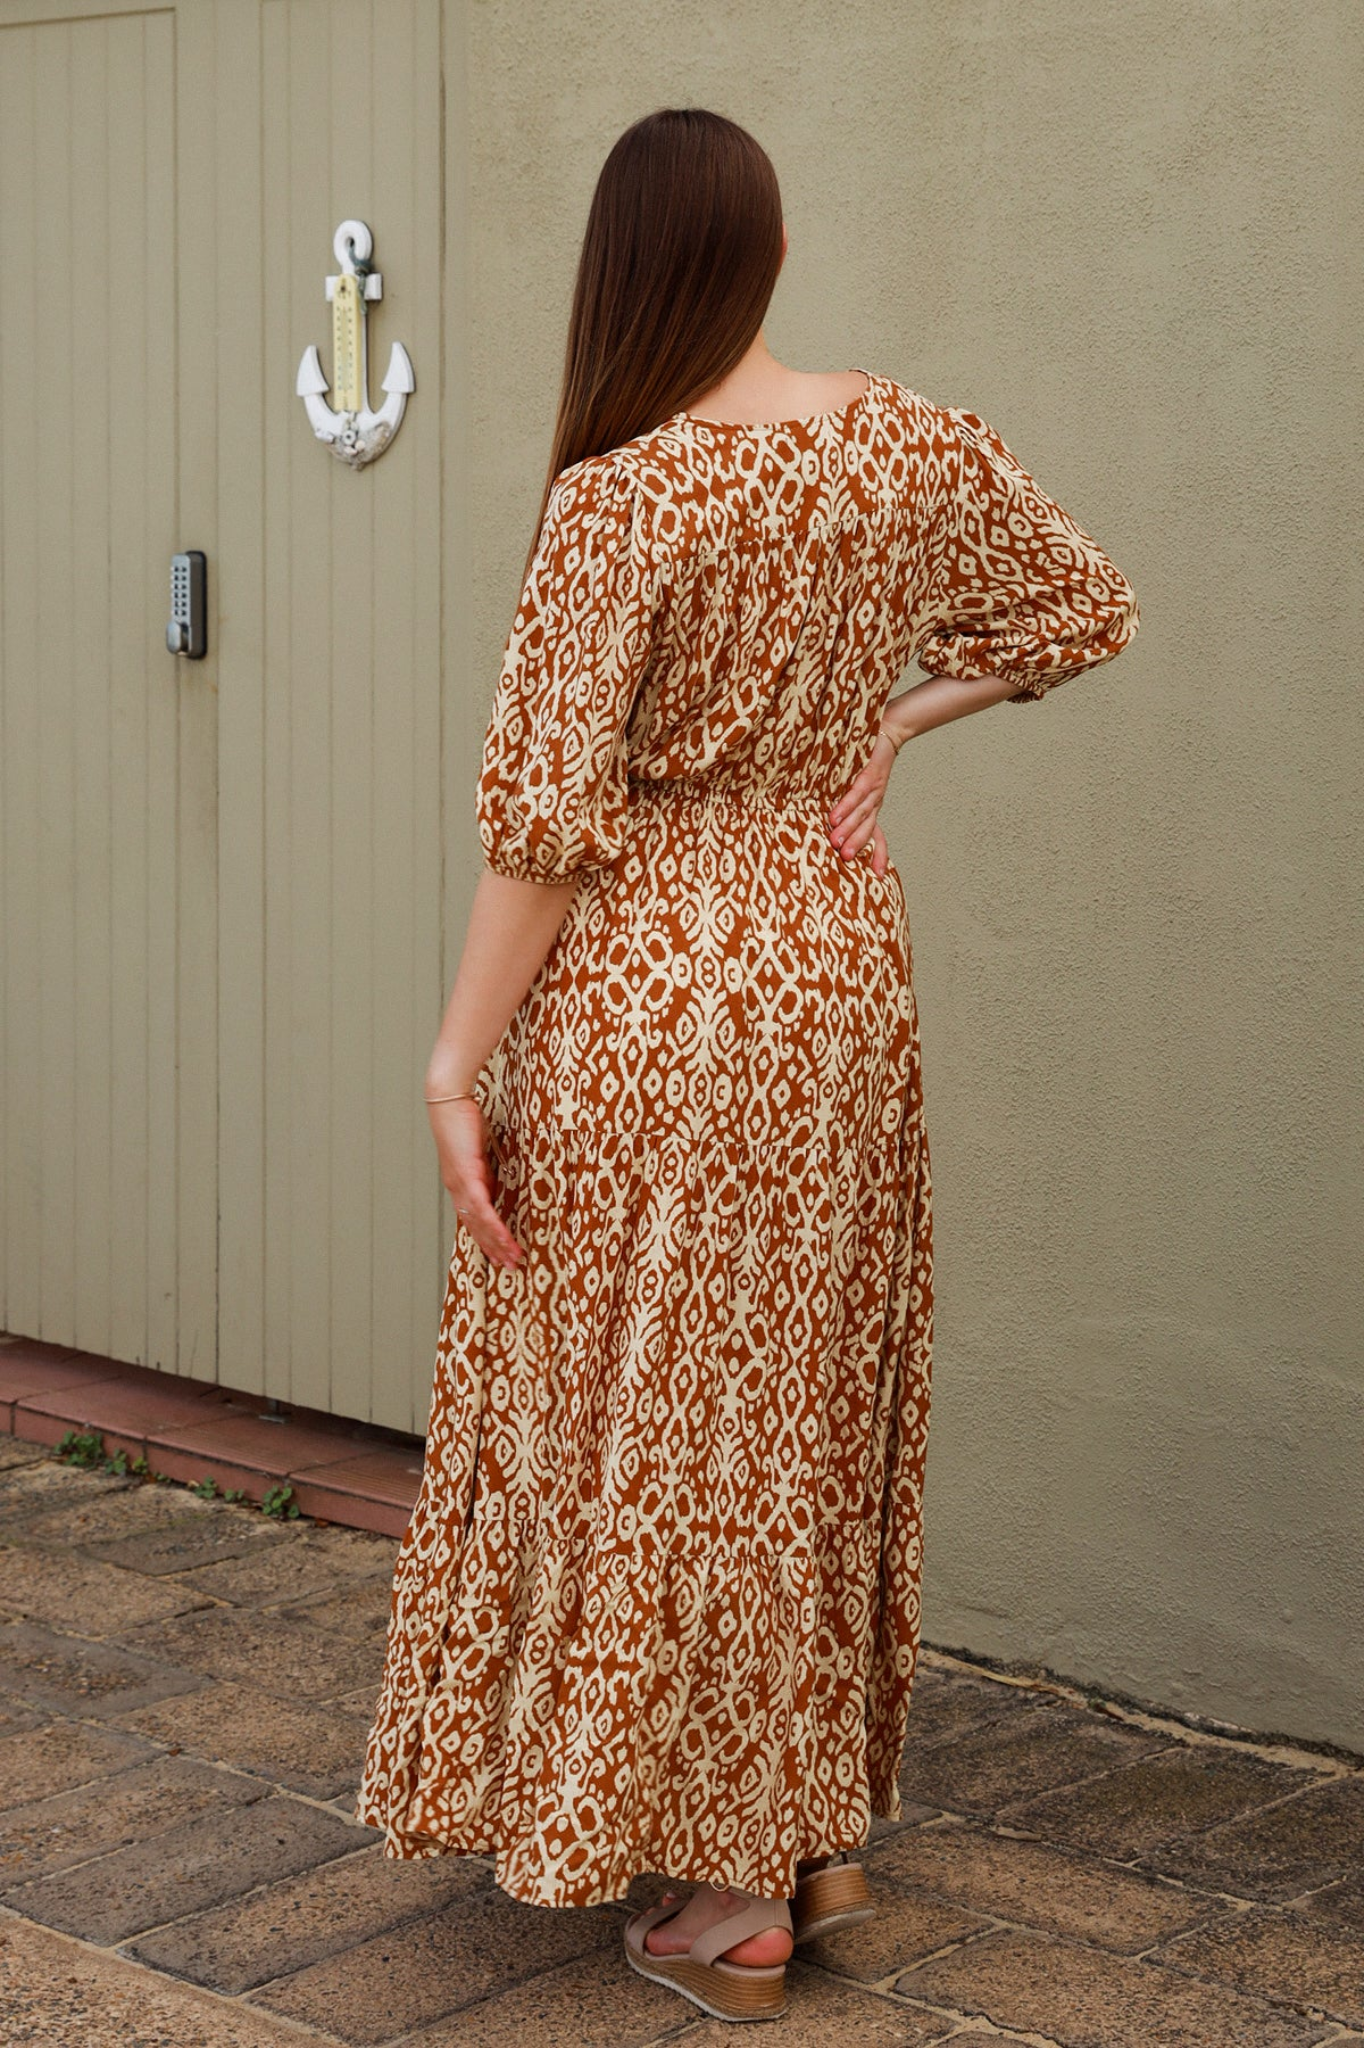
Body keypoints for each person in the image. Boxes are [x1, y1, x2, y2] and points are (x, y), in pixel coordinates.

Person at [356, 106, 1139, 2026]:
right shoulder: (900, 439)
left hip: (660, 998)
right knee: (789, 1406)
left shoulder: (622, 495)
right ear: (768, 256)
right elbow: (1086, 610)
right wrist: (902, 720)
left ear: (623, 271)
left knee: (652, 1420)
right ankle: (801, 1817)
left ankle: (728, 1898)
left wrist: (455, 1062)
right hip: (837, 983)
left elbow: (545, 824)